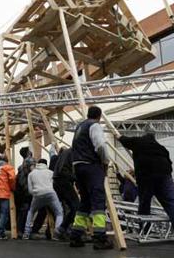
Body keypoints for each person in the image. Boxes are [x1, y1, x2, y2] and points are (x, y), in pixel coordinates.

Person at [117, 128, 174, 244]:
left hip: (146, 176)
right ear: (155, 136)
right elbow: (170, 164)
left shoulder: (139, 141)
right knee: (171, 204)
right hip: (164, 176)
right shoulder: (162, 148)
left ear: (144, 134)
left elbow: (124, 140)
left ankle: (144, 232)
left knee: (144, 204)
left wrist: (118, 136)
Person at [69, 106, 113, 250]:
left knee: (85, 202)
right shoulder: (94, 126)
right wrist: (106, 161)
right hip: (91, 166)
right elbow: (100, 145)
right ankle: (100, 238)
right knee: (98, 200)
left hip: (78, 167)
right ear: (99, 117)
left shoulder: (79, 127)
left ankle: (76, 235)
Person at [22, 159, 64, 240]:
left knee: (31, 211)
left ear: (37, 164)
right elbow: (54, 186)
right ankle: (56, 234)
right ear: (46, 164)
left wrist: (36, 194)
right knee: (59, 213)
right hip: (50, 194)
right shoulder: (51, 172)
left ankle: (26, 233)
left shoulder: (31, 174)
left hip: (37, 195)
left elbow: (30, 190)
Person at [52, 147, 79, 238]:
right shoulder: (72, 152)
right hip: (63, 182)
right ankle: (62, 229)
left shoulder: (65, 153)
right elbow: (63, 170)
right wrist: (76, 178)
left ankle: (62, 230)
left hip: (59, 182)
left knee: (65, 208)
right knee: (76, 206)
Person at [14, 157, 35, 236]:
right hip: (23, 197)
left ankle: (22, 230)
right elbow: (24, 186)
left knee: (25, 212)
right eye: (32, 165)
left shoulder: (24, 172)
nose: (33, 167)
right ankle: (20, 230)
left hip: (24, 196)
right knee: (24, 212)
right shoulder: (23, 173)